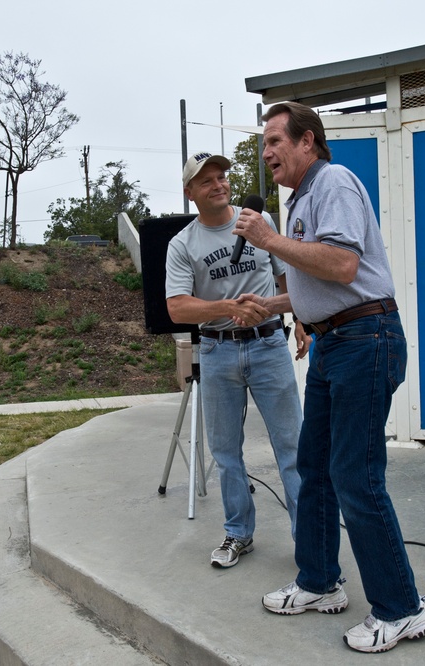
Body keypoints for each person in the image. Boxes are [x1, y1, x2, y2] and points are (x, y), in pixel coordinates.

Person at [233, 102, 425, 653]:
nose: (267, 152)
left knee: (355, 477)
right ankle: (319, 581)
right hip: (334, 342)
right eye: (265, 143)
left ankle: (402, 608)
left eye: (275, 140)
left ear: (308, 141)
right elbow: (319, 281)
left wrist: (268, 240)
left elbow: (344, 266)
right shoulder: (301, 199)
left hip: (364, 340)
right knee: (315, 468)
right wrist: (272, 303)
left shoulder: (334, 182)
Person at [165, 151, 309, 569]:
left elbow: (287, 277)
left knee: (292, 446)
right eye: (206, 180)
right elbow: (177, 307)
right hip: (216, 350)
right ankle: (238, 533)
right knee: (226, 451)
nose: (219, 185)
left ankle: (308, 540)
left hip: (268, 345)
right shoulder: (182, 244)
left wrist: (302, 319)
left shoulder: (259, 224)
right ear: (190, 192)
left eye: (222, 177)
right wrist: (227, 308)